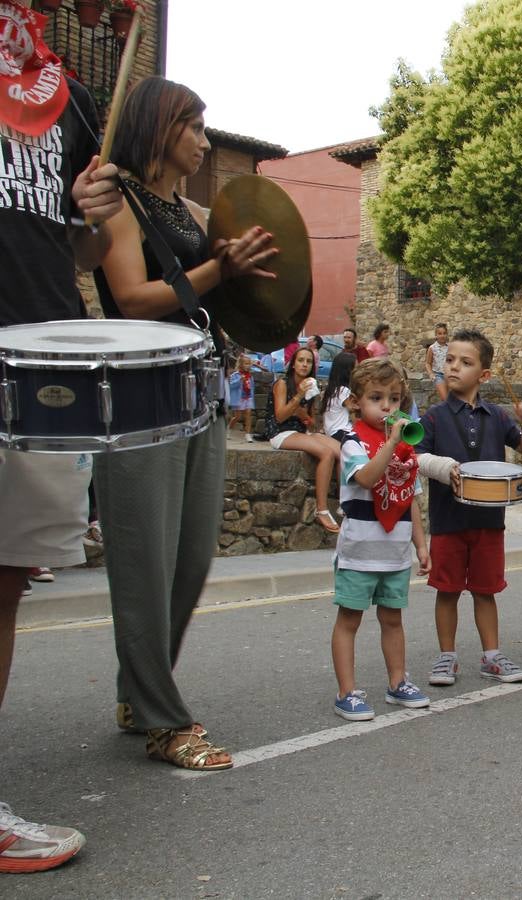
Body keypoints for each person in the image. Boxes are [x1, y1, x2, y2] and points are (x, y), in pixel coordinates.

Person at [93, 76, 280, 774]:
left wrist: (250, 269)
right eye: (194, 126)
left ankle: (136, 693)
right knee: (144, 563)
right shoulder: (118, 200)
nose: (204, 140)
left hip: (199, 391)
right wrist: (214, 269)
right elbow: (134, 299)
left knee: (192, 557)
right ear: (160, 128)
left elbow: (228, 273)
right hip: (139, 396)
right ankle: (163, 720)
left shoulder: (190, 207)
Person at [0, 0, 122, 869]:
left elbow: (78, 252)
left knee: (4, 583)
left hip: (38, 352)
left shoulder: (68, 98)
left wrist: (90, 213)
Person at [413, 329, 522, 688]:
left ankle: (492, 657)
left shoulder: (497, 416)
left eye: (465, 362)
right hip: (448, 521)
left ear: (483, 375)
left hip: (488, 521)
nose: (453, 367)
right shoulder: (433, 416)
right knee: (446, 590)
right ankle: (446, 657)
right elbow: (416, 457)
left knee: (485, 590)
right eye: (449, 360)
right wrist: (441, 468)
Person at [331, 359, 431, 720]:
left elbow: (411, 500)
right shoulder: (352, 443)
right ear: (356, 402)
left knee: (393, 619)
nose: (387, 406)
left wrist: (421, 546)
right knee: (349, 620)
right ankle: (346, 691)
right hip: (360, 551)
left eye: (394, 398)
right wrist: (391, 443)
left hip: (395, 551)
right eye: (376, 397)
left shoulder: (405, 450)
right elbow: (369, 479)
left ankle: (397, 681)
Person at [268, 346, 342, 533]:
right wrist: (299, 396)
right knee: (326, 453)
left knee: (343, 450)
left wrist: (308, 418)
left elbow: (310, 425)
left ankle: (345, 503)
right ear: (293, 364)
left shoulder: (311, 384)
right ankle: (322, 509)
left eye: (308, 361)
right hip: (280, 432)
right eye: (301, 360)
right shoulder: (283, 384)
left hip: (300, 431)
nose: (304, 364)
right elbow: (280, 417)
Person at [321, 351, 358, 439]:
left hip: (332, 432)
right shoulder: (343, 391)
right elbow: (353, 412)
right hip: (342, 432)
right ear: (348, 371)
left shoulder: (333, 389)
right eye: (356, 368)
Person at [226, 353, 261, 441]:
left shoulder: (250, 376)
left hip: (248, 397)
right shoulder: (236, 375)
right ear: (241, 364)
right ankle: (229, 429)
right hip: (239, 398)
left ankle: (248, 434)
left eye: (249, 363)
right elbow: (231, 386)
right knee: (237, 417)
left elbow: (252, 387)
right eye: (246, 363)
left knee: (248, 414)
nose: (248, 366)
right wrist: (239, 380)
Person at [425, 322, 451, 402]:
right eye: (439, 333)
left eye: (444, 333)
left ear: (447, 334)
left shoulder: (450, 347)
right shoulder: (432, 348)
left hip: (449, 375)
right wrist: (431, 373)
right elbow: (428, 363)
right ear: (436, 335)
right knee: (444, 398)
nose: (442, 335)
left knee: (452, 398)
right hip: (438, 375)